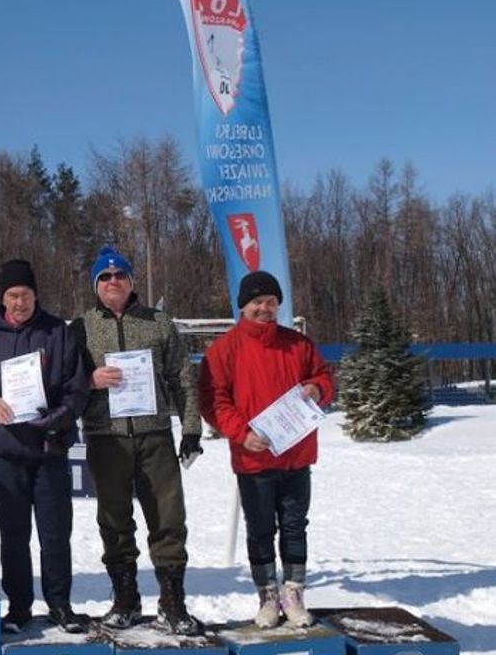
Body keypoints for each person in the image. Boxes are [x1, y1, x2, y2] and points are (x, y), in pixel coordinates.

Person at [69, 246, 204, 635]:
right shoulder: (81, 327)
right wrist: (90, 381)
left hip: (154, 435)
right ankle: (125, 598)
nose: (113, 282)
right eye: (105, 277)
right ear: (96, 285)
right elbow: (65, 381)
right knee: (113, 519)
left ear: (131, 282)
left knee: (168, 519)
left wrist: (191, 428)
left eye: (120, 276)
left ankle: (172, 601)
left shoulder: (158, 322)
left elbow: (181, 376)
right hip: (106, 437)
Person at [197, 271, 334, 628]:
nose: (264, 308)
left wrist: (318, 390)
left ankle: (294, 594)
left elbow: (324, 378)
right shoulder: (224, 349)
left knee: (294, 527)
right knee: (260, 530)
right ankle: (268, 597)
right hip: (253, 456)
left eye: (271, 301)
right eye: (257, 301)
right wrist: (241, 434)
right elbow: (213, 400)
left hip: (296, 455)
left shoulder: (298, 344)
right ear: (243, 306)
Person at [0, 260, 90, 633]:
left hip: (49, 450)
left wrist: (58, 418)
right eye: (12, 295)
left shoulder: (59, 332)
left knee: (55, 535)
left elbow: (77, 387)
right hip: (8, 453)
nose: (19, 302)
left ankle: (60, 605)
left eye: (25, 295)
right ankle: (19, 607)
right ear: (2, 298)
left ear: (36, 295)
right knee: (14, 536)